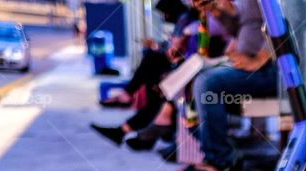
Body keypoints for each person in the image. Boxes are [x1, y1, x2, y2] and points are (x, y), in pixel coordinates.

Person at [90, 0, 229, 150]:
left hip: (203, 65)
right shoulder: (196, 17)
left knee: (162, 78)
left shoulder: (206, 17)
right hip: (194, 63)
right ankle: (149, 126)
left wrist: (186, 35)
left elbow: (217, 41)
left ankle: (153, 125)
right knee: (158, 79)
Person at [181, 0, 277, 171]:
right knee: (192, 77)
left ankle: (220, 161)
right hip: (248, 65)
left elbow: (289, 22)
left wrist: (260, 58)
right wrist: (215, 10)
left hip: (273, 69)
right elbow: (239, 28)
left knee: (207, 83)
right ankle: (223, 153)